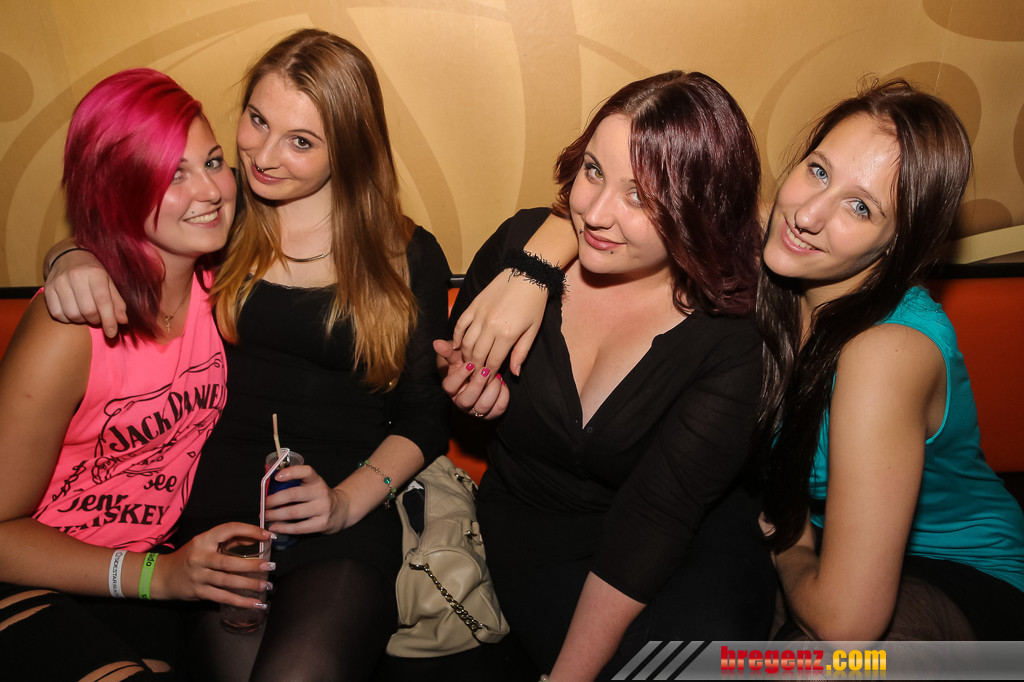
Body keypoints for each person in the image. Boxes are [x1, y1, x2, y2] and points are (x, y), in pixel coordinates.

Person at [43, 30, 452, 680]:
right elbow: (119, 223)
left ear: (347, 149)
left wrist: (344, 503)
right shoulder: (220, 210)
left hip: (340, 518)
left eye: (301, 141)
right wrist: (70, 256)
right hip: (215, 523)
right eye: (257, 120)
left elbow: (425, 417)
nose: (263, 155)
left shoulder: (404, 253)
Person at [436, 71, 777, 681]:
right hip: (537, 525)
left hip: (687, 533)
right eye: (593, 170)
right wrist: (467, 383)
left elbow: (657, 518)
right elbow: (449, 359)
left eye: (640, 196)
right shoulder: (521, 251)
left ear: (698, 209)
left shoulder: (729, 335)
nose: (594, 213)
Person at [0, 68, 274, 680]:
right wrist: (157, 575)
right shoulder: (70, 328)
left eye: (212, 162)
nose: (209, 190)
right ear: (116, 189)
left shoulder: (224, 289)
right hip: (33, 574)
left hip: (141, 577)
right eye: (171, 174)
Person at [756, 79, 1024, 641]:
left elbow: (847, 626)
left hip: (963, 575)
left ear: (898, 243)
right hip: (837, 559)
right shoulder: (788, 245)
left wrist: (790, 543)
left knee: (813, 671)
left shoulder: (884, 353)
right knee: (700, 653)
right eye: (818, 170)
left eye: (860, 207)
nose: (808, 214)